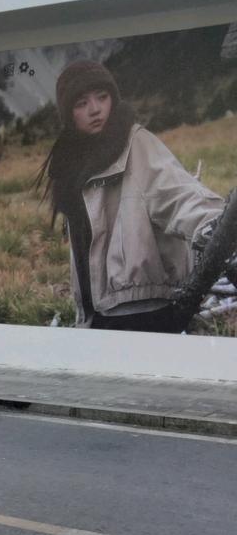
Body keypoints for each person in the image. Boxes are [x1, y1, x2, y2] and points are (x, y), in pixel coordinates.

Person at [37, 59, 225, 332]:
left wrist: (216, 226)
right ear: (69, 114)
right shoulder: (71, 162)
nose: (95, 109)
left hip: (144, 311)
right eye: (82, 103)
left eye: (102, 97)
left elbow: (177, 194)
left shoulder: (137, 144)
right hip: (97, 313)